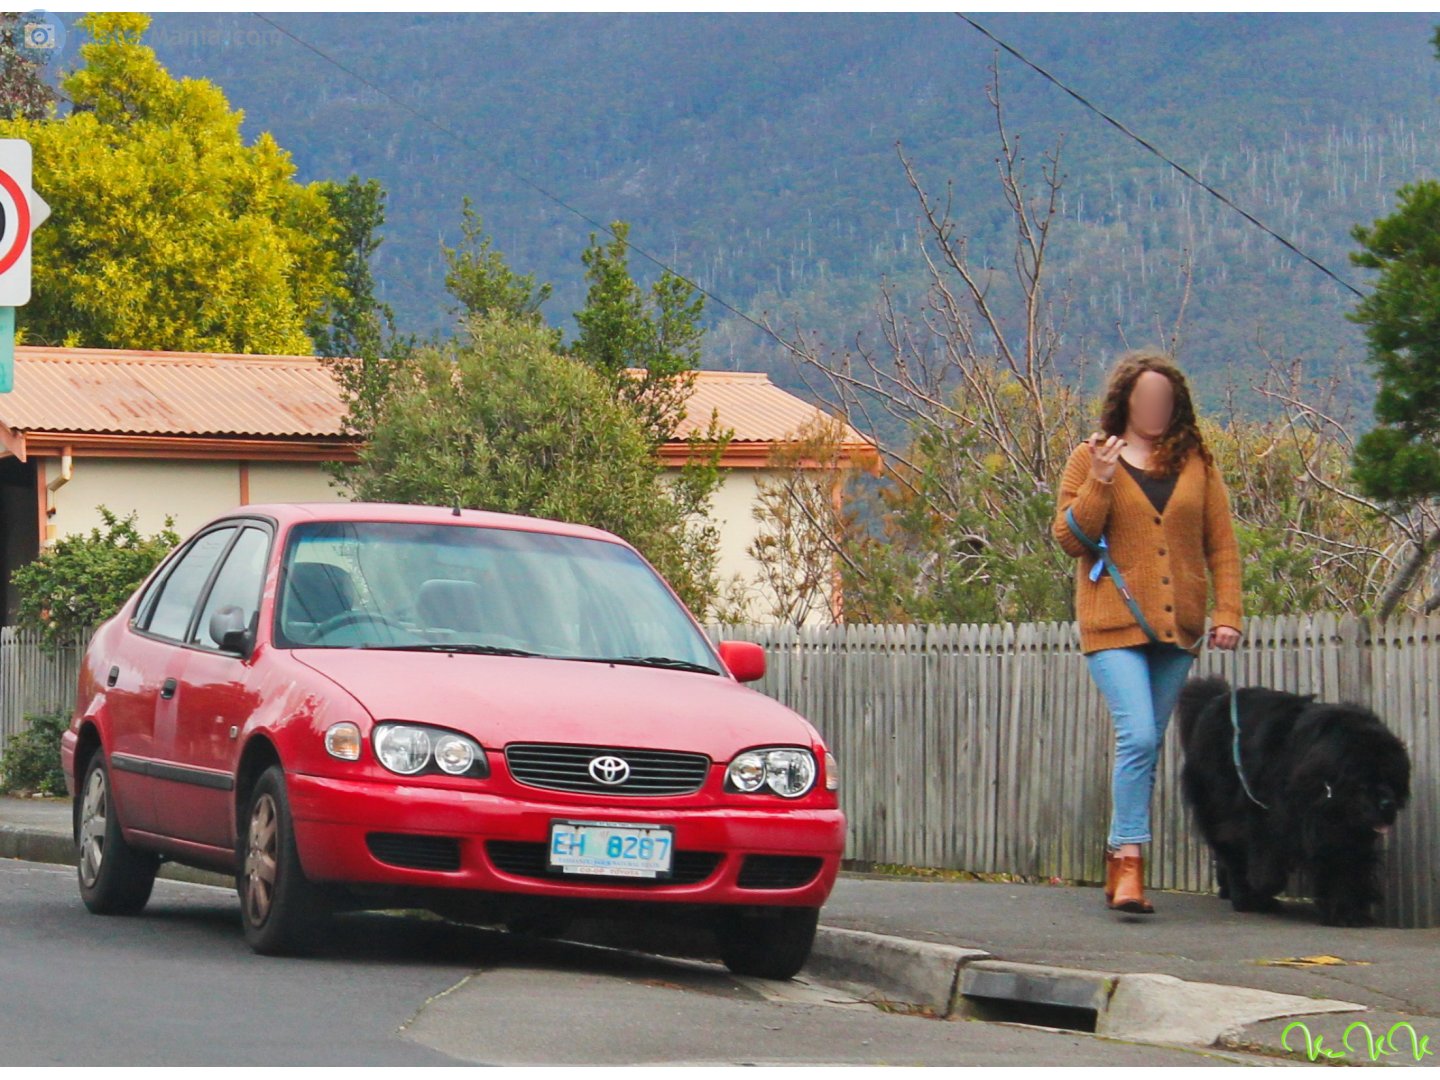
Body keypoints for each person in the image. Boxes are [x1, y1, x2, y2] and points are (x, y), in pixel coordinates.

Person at [1051, 347, 1242, 915]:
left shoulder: (1198, 464)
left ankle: (1120, 858)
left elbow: (1222, 545)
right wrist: (1103, 482)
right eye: (1146, 399)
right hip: (1112, 622)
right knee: (1136, 736)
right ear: (1126, 403)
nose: (1156, 408)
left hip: (1177, 627)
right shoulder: (1090, 457)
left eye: (1166, 400)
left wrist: (1226, 613)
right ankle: (1129, 859)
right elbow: (1071, 539)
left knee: (1149, 745)